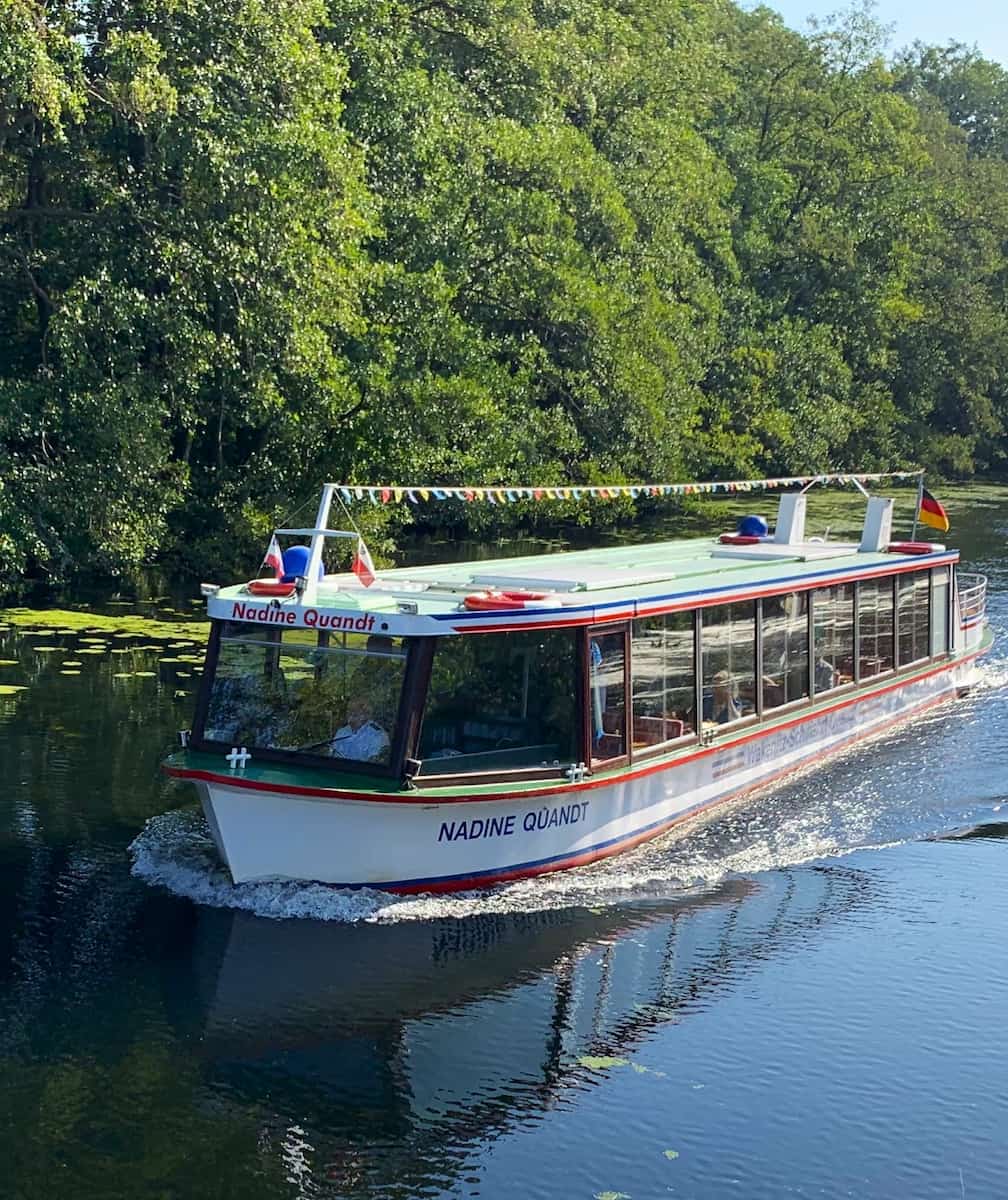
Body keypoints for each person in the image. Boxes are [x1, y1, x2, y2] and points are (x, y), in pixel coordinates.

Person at [327, 693, 390, 763]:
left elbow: (374, 764)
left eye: (354, 712)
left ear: (366, 714)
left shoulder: (377, 735)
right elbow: (331, 757)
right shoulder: (342, 732)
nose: (350, 715)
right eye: (349, 711)